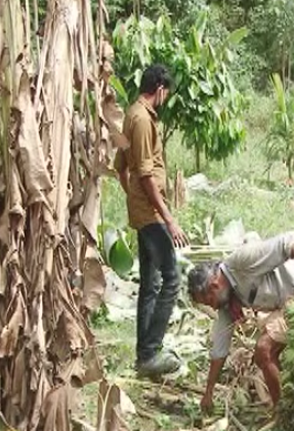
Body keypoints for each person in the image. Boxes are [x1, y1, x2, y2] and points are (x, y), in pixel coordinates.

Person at [187, 233, 294, 414]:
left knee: (263, 348)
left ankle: (283, 412)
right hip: (287, 307)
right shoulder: (227, 302)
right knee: (266, 355)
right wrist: (208, 393)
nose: (213, 307)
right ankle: (287, 405)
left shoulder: (240, 262)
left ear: (215, 285)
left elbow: (290, 242)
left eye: (209, 302)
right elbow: (219, 351)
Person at [116, 64, 188, 377]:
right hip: (151, 214)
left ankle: (143, 356)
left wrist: (133, 200)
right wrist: (167, 218)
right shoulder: (143, 119)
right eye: (166, 94)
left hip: (142, 210)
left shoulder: (130, 113)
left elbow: (121, 167)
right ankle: (150, 353)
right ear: (159, 89)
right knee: (172, 279)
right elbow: (144, 174)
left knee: (150, 284)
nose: (165, 99)